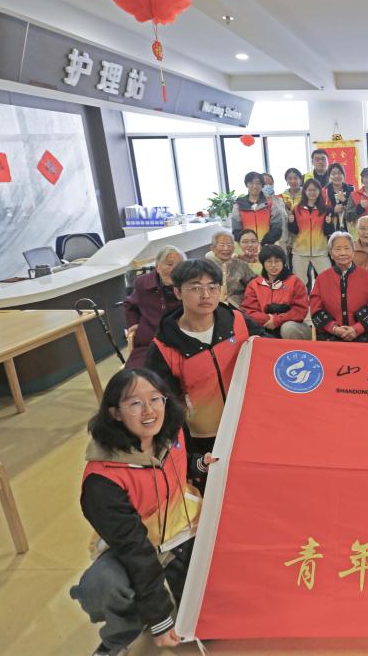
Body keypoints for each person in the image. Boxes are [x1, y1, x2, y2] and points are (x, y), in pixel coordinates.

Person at [70, 368, 213, 655]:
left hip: (183, 528)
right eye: (135, 403)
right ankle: (120, 636)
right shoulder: (101, 482)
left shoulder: (171, 430)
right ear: (115, 413)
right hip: (135, 545)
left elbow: (177, 462)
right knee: (101, 586)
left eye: (155, 399)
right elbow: (134, 549)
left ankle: (176, 599)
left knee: (208, 614)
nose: (149, 411)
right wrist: (159, 617)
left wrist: (199, 464)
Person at [146, 259, 262, 453]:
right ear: (177, 292)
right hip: (204, 436)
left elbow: (268, 352)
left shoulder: (238, 321)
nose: (206, 295)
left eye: (212, 287)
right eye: (195, 288)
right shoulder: (164, 347)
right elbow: (165, 405)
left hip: (250, 422)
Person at [309, 232, 368, 342]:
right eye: (338, 249)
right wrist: (334, 328)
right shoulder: (321, 278)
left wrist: (357, 329)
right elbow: (315, 309)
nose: (342, 253)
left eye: (347, 248)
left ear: (353, 252)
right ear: (331, 254)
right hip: (330, 336)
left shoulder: (366, 276)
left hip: (361, 336)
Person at [124, 246, 183, 369]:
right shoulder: (143, 283)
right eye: (169, 264)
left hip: (180, 342)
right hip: (149, 343)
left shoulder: (187, 285)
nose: (175, 269)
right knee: (137, 376)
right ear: (158, 266)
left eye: (179, 265)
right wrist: (133, 323)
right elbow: (130, 304)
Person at [241, 245, 311, 340]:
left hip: (293, 325)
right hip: (265, 324)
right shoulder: (254, 284)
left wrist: (277, 320)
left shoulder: (295, 282)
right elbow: (249, 311)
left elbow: (300, 310)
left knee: (288, 328)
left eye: (277, 261)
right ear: (263, 263)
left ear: (283, 262)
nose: (273, 265)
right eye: (269, 261)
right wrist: (267, 319)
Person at [288, 178, 333, 291]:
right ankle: (302, 302)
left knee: (328, 280)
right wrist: (291, 222)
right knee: (300, 284)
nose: (312, 192)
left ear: (319, 191)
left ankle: (324, 301)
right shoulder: (297, 208)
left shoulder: (326, 209)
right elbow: (294, 230)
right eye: (309, 190)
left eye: (315, 190)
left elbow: (329, 231)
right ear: (305, 191)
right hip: (300, 251)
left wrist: (329, 223)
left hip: (320, 251)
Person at [231, 171, 285, 246]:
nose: (255, 186)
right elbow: (236, 230)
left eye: (258, 183)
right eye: (251, 183)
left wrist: (264, 243)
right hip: (247, 247)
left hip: (268, 245)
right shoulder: (239, 205)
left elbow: (277, 228)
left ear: (262, 185)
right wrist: (248, 243)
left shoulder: (271, 203)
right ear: (246, 184)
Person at [207, 231, 255, 309]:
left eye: (229, 245)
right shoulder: (205, 266)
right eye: (222, 245)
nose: (226, 248)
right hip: (212, 306)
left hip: (238, 305)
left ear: (233, 248)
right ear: (213, 248)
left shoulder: (242, 265)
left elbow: (254, 285)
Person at [323, 162, 354, 232]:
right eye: (333, 174)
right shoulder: (324, 192)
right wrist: (333, 211)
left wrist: (345, 201)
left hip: (349, 229)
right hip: (331, 229)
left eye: (339, 173)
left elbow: (355, 212)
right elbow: (320, 212)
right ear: (329, 176)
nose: (336, 176)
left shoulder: (351, 190)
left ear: (344, 175)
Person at [278, 167, 304, 251]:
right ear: (286, 180)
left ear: (300, 180)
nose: (293, 181)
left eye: (295, 178)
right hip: (287, 235)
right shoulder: (281, 197)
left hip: (303, 234)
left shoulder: (306, 194)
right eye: (289, 178)